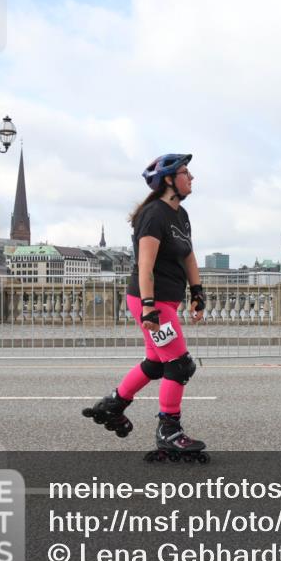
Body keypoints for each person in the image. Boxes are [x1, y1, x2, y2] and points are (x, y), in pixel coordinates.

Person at [83, 153, 208, 459]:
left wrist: (198, 292)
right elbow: (145, 264)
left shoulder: (181, 214)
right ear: (169, 180)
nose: (191, 178)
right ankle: (169, 429)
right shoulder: (153, 215)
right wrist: (149, 307)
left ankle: (114, 404)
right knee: (179, 364)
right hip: (149, 298)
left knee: (156, 363)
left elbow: (188, 255)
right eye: (185, 173)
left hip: (166, 298)